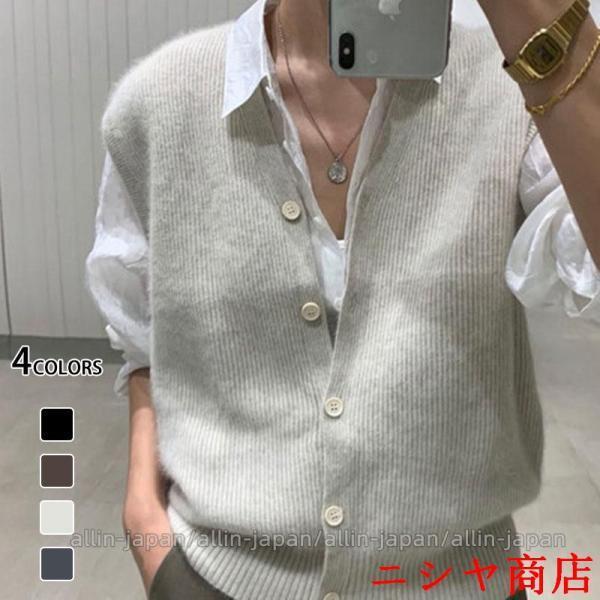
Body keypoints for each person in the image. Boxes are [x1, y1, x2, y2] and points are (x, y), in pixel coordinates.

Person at [85, 0, 600, 598]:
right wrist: (146, 521)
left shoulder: (518, 87)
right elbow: (141, 331)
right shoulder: (158, 100)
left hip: (461, 582)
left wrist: (541, 22)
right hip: (218, 578)